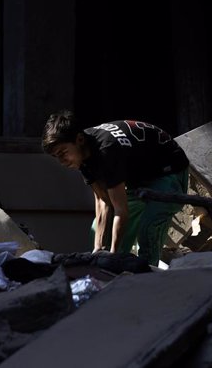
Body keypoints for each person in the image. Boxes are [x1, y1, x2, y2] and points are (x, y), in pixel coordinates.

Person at [41, 110, 189, 266]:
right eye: (56, 157)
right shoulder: (83, 156)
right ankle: (115, 270)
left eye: (63, 153)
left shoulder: (106, 149)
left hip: (169, 172)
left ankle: (145, 273)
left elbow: (120, 210)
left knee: (148, 228)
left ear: (79, 139)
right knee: (97, 231)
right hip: (139, 177)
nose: (62, 161)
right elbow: (102, 201)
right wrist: (98, 249)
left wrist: (111, 255)